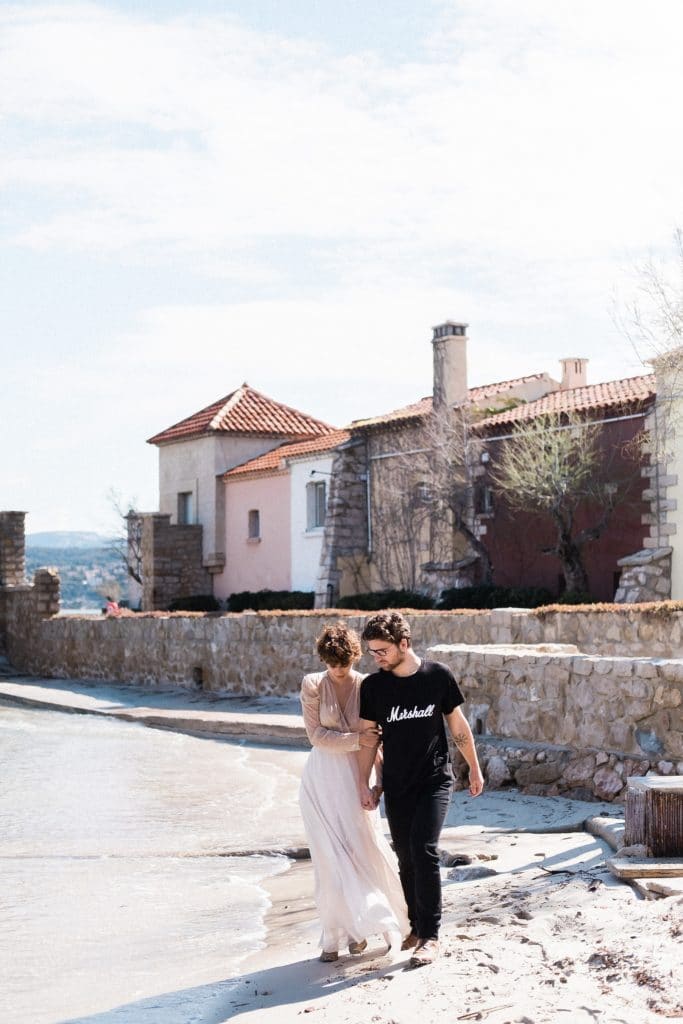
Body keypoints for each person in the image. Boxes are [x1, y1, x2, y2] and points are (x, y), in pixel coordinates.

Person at [357, 611, 484, 968]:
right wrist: (364, 783)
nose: (377, 657)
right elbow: (368, 740)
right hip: (397, 784)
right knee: (406, 857)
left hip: (435, 778)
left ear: (404, 644)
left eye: (382, 650)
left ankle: (431, 935)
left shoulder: (437, 676)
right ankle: (415, 925)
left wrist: (474, 767)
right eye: (372, 652)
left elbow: (457, 726)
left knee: (423, 848)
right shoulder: (373, 687)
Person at [299, 622, 409, 963]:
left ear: (354, 658)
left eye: (343, 664)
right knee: (330, 858)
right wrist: (355, 740)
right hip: (320, 780)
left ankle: (367, 927)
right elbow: (315, 735)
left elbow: (375, 739)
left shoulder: (366, 684)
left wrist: (378, 783)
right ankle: (335, 936)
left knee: (362, 849)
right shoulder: (313, 684)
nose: (337, 670)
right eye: (332, 664)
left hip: (354, 776)